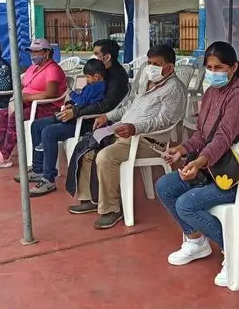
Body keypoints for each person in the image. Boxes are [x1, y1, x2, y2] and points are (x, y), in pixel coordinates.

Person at [154, 42, 239, 287]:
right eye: (210, 67)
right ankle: (196, 241)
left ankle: (236, 252)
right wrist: (182, 150)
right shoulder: (212, 93)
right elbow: (202, 134)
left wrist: (199, 161)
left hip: (236, 176)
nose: (214, 72)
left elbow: (223, 138)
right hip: (210, 170)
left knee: (186, 204)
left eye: (220, 67)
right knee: (165, 186)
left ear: (233, 68)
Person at [66, 44, 187, 229]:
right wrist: (108, 116)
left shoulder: (174, 89)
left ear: (169, 67)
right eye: (149, 62)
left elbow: (164, 121)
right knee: (87, 148)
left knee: (106, 157)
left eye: (156, 64)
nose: (150, 67)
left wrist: (135, 127)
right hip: (124, 132)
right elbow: (129, 104)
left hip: (149, 141)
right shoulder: (146, 80)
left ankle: (111, 209)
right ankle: (90, 198)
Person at [13, 38, 130, 189]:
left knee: (49, 132)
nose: (92, 57)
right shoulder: (99, 70)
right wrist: (71, 104)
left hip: (91, 121)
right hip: (79, 114)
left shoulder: (117, 78)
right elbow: (86, 97)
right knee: (37, 125)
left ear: (107, 57)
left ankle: (49, 179)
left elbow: (105, 106)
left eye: (95, 54)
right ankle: (38, 169)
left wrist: (75, 112)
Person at [0, 38, 66, 167]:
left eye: (37, 52)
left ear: (47, 53)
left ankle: (4, 156)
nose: (33, 55)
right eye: (31, 52)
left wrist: (28, 98)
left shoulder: (53, 69)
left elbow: (51, 93)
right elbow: (22, 84)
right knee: (2, 113)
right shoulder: (33, 68)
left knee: (16, 116)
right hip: (29, 103)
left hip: (47, 106)